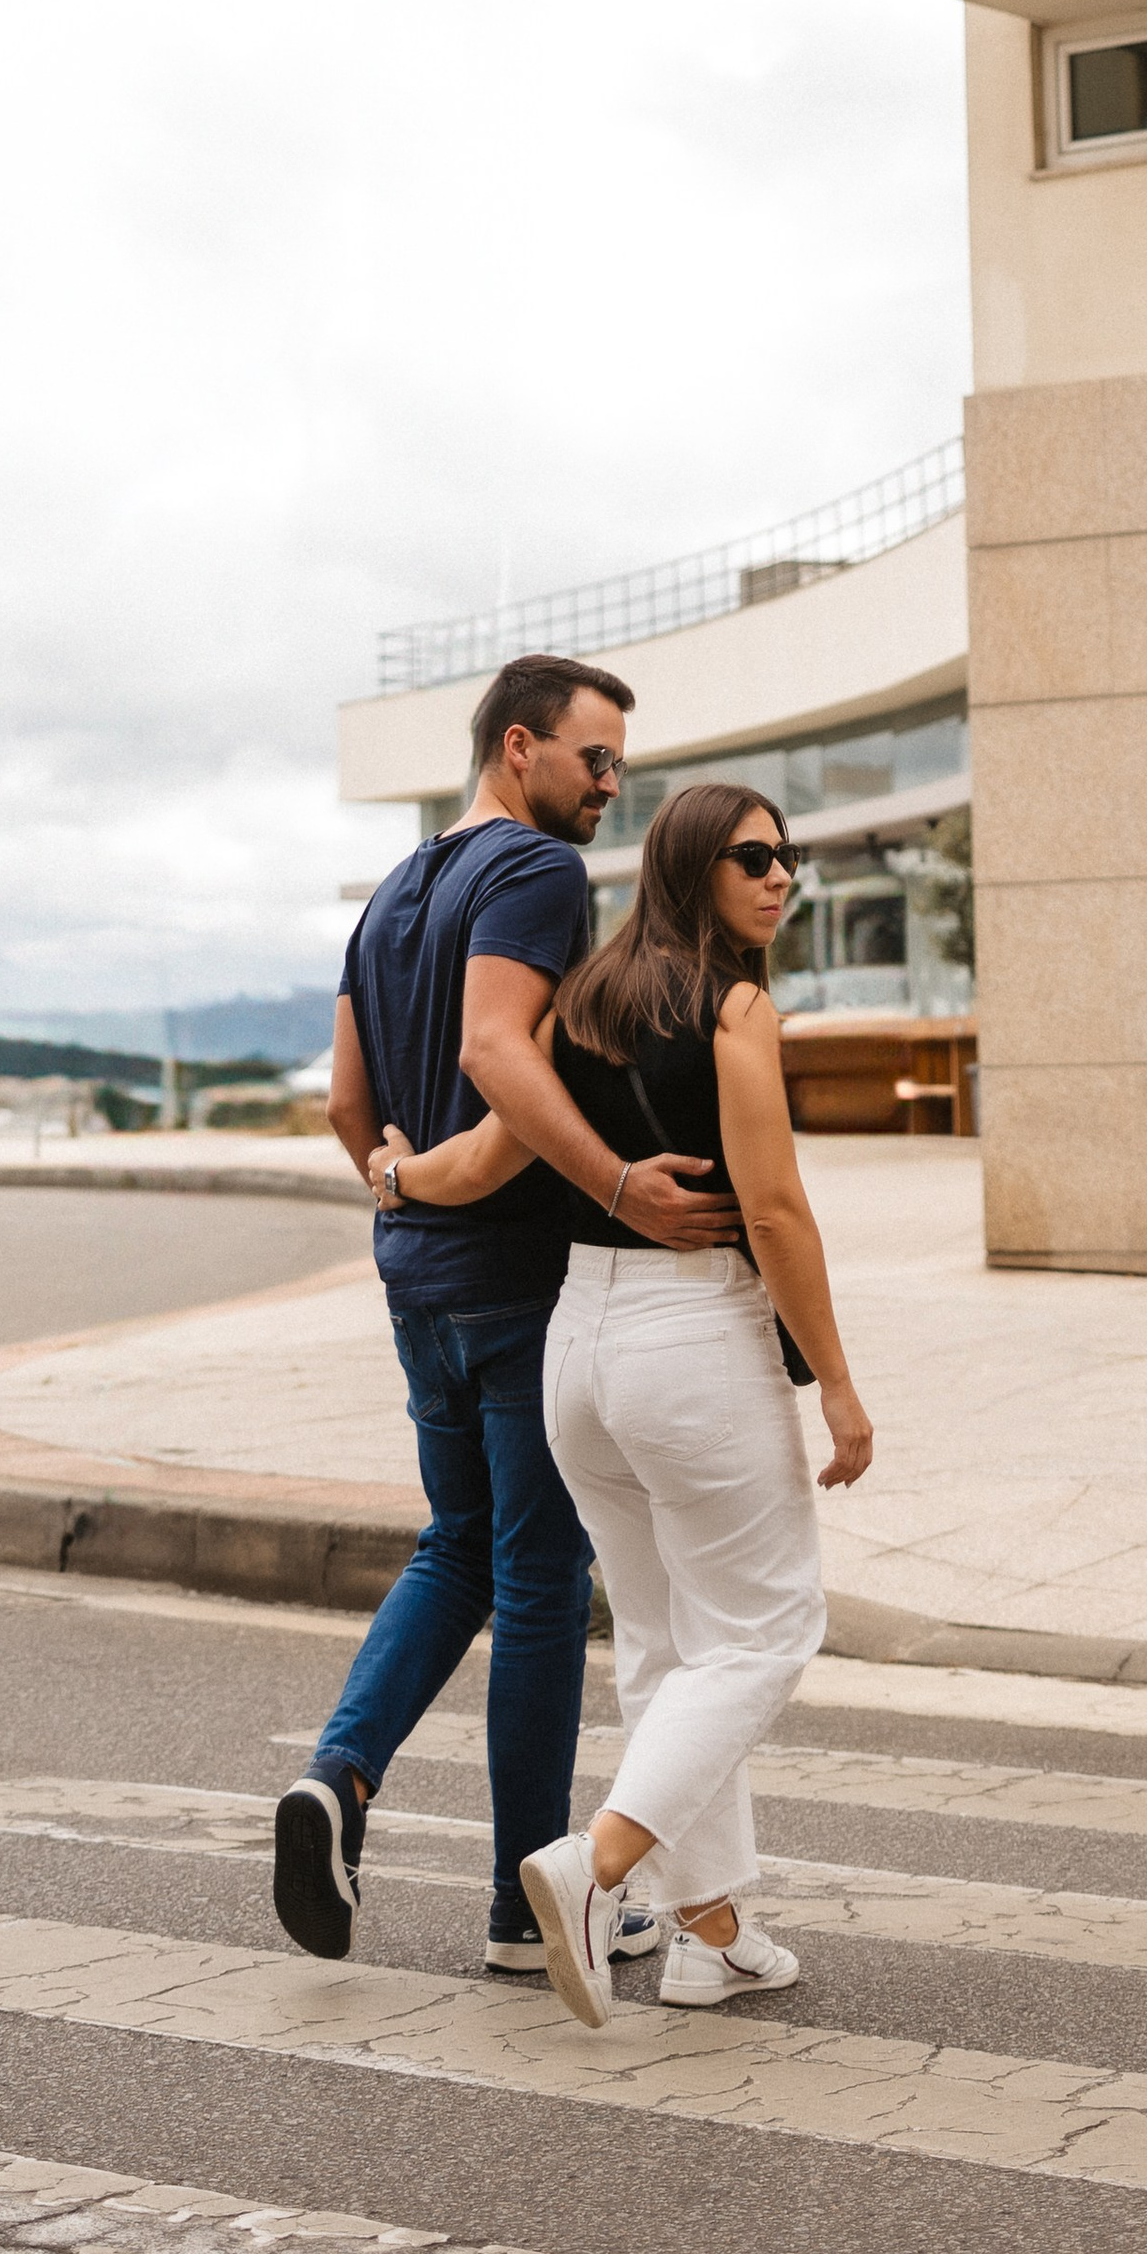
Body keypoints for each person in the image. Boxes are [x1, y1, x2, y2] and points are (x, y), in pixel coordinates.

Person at [363, 778, 874, 2025]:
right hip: (689, 1335)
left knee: (663, 1645)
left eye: (788, 856)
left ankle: (711, 1935)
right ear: (696, 867)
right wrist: (842, 1390)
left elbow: (488, 1156)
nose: (781, 876)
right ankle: (591, 1870)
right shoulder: (736, 1006)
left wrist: (392, 1174)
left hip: (577, 1347)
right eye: (754, 856)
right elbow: (775, 1212)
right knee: (762, 1634)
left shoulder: (584, 998)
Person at [270, 653, 741, 1980]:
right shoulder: (534, 875)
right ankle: (528, 1906)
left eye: (620, 767)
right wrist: (616, 1183)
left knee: (459, 1547)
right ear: (519, 746)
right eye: (594, 760)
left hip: (414, 1276)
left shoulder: (394, 892)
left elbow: (346, 1105)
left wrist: (397, 1186)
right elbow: (494, 1051)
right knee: (543, 1580)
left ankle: (339, 1778)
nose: (609, 786)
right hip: (517, 1279)